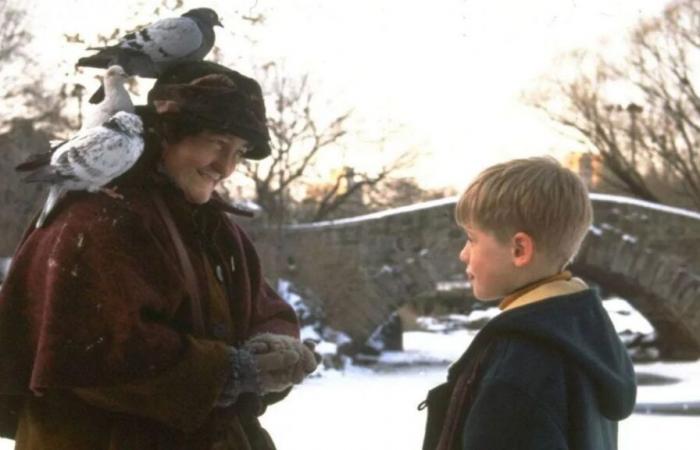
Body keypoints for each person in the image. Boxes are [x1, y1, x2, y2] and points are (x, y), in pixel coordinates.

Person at [0, 61, 318, 450]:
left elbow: (263, 306)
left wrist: (273, 348)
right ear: (167, 133)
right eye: (217, 142)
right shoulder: (98, 220)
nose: (227, 167)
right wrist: (228, 372)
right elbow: (98, 356)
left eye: (239, 151)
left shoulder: (215, 228)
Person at [420, 157, 637, 450]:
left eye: (472, 239)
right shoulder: (584, 338)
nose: (463, 254)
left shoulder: (517, 373)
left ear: (519, 249)